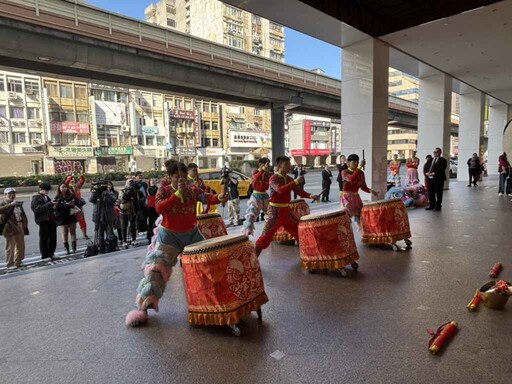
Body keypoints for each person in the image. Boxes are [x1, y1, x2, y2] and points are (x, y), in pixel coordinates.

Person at [125, 160, 226, 327]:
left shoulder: (193, 189)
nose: (182, 180)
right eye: (177, 177)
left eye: (184, 177)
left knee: (209, 263)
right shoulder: (164, 190)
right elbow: (159, 208)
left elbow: (206, 197)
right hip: (169, 236)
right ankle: (142, 308)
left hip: (192, 234)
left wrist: (219, 197)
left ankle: (217, 300)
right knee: (155, 273)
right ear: (170, 177)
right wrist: (177, 194)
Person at [255, 156, 319, 257]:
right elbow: (280, 189)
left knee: (300, 230)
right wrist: (296, 181)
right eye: (286, 165)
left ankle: (308, 256)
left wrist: (311, 196)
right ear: (279, 166)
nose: (289, 166)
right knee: (265, 237)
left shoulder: (288, 179)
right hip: (274, 213)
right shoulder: (274, 178)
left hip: (286, 212)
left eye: (289, 164)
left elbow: (299, 191)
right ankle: (253, 259)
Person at [341, 154, 379, 226]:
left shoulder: (361, 173)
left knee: (360, 217)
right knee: (346, 217)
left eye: (357, 162)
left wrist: (371, 191)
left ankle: (362, 233)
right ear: (348, 163)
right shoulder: (344, 172)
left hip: (356, 197)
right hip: (347, 197)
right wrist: (360, 167)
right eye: (354, 162)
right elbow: (351, 179)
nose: (356, 164)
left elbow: (363, 187)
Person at [0, 188, 28, 269]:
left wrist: (24, 224)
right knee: (10, 246)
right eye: (9, 194)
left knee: (20, 245)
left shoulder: (17, 203)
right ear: (5, 195)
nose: (12, 195)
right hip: (9, 226)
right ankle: (10, 264)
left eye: (13, 193)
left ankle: (18, 261)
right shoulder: (3, 202)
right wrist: (10, 205)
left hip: (19, 224)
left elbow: (23, 214)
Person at [243, 158, 271, 236]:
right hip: (256, 196)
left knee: (270, 214)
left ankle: (269, 231)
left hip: (265, 195)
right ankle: (247, 230)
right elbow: (255, 178)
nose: (267, 165)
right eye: (266, 163)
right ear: (261, 164)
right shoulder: (256, 172)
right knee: (251, 213)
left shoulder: (267, 174)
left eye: (268, 164)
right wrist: (263, 170)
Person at [31, 183, 57, 261]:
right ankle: (45, 255)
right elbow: (37, 209)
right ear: (41, 189)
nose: (47, 192)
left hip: (51, 219)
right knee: (44, 238)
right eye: (46, 190)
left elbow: (50, 208)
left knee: (53, 238)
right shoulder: (36, 198)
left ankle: (51, 253)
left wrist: (53, 206)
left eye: (48, 191)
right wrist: (49, 204)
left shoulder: (46, 197)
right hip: (43, 220)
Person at [89, 181, 117, 253]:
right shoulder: (96, 193)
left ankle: (110, 247)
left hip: (108, 216)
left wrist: (106, 194)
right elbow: (91, 200)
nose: (103, 187)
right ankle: (101, 248)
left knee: (110, 233)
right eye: (101, 186)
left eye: (104, 186)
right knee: (99, 235)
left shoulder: (109, 193)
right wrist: (95, 192)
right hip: (98, 217)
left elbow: (113, 200)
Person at [54, 183, 80, 254]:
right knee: (65, 232)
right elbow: (56, 208)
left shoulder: (71, 195)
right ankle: (66, 248)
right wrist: (65, 205)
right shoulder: (57, 197)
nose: (64, 188)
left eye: (65, 187)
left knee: (73, 231)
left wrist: (72, 204)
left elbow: (77, 202)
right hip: (62, 217)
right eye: (62, 187)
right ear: (59, 188)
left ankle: (74, 247)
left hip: (71, 215)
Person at [65, 174, 89, 240]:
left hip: (79, 206)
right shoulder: (66, 187)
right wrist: (71, 176)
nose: (72, 180)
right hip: (71, 207)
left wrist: (80, 175)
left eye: (73, 179)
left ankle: (84, 234)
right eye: (70, 179)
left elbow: (82, 180)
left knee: (82, 220)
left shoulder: (77, 186)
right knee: (72, 222)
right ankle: (73, 236)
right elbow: (66, 182)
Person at [119, 179, 138, 246]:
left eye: (132, 184)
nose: (131, 185)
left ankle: (134, 239)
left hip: (132, 211)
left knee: (133, 226)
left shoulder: (134, 191)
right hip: (124, 211)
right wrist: (127, 194)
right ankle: (124, 241)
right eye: (130, 183)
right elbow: (121, 200)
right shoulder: (122, 191)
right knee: (124, 226)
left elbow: (136, 201)